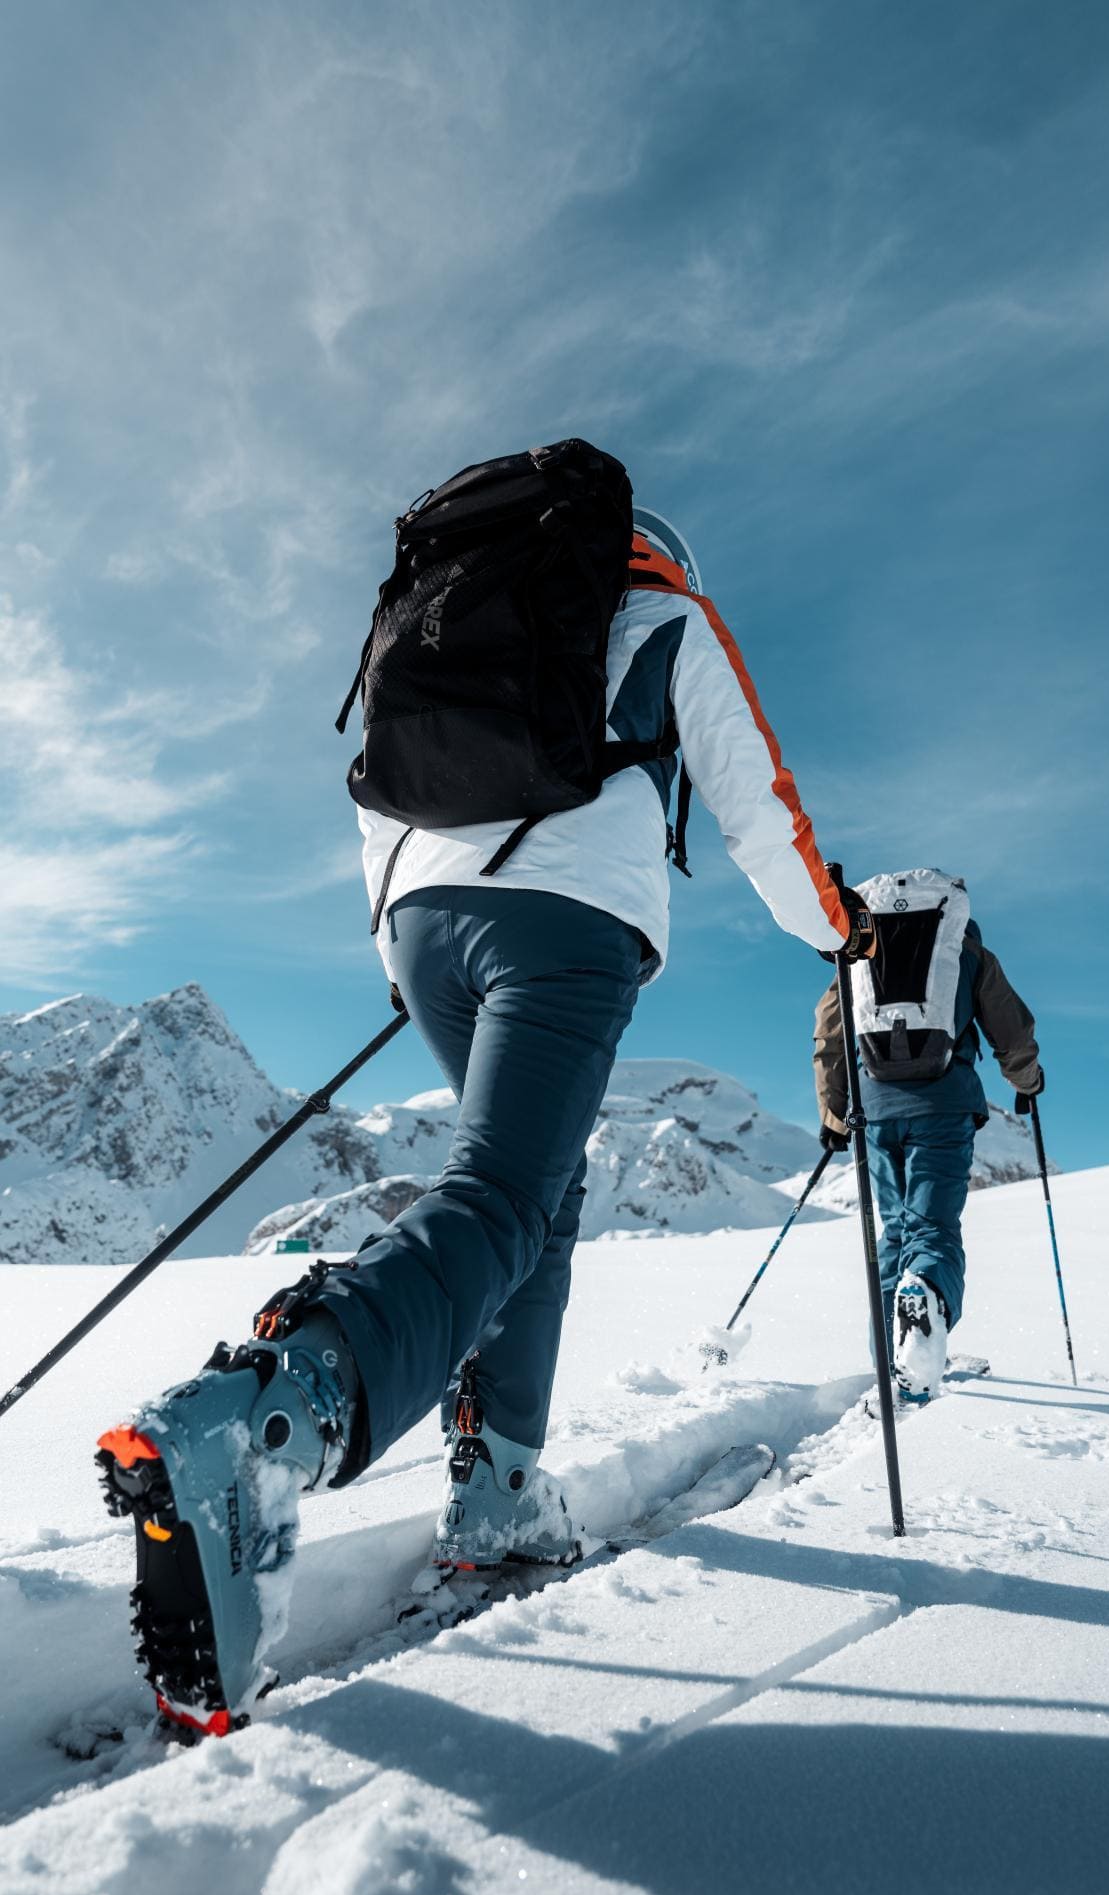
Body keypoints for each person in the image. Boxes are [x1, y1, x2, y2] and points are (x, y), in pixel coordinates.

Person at [98, 496, 866, 1738]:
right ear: (659, 547)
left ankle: (499, 1489)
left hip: (422, 918)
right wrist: (840, 931)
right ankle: (271, 1415)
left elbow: (372, 780)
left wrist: (413, 939)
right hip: (568, 915)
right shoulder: (665, 609)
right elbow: (757, 802)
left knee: (539, 1197)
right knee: (504, 1197)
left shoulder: (433, 610)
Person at [813, 867, 1042, 1405]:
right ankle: (928, 1303)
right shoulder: (962, 947)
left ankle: (892, 1358)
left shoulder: (860, 944)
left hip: (875, 1108)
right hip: (942, 1105)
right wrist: (1027, 1082)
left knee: (894, 1230)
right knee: (932, 1228)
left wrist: (833, 1111)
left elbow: (829, 1030)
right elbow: (1010, 1030)